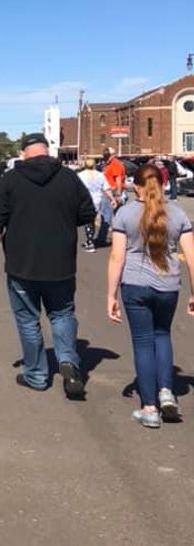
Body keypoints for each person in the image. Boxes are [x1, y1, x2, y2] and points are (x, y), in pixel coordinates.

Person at [0, 133, 96, 397]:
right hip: (61, 263)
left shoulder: (10, 180)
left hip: (23, 264)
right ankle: (68, 362)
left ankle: (36, 374)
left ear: (24, 153)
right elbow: (87, 214)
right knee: (62, 314)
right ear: (47, 151)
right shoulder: (69, 178)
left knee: (28, 319)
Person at [107, 163, 194, 427]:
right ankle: (166, 391)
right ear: (164, 184)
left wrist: (110, 295)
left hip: (135, 285)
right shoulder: (178, 214)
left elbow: (116, 257)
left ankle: (149, 407)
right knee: (162, 335)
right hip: (168, 285)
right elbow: (191, 257)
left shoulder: (125, 214)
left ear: (136, 186)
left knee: (143, 342)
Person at [78, 158, 116, 252]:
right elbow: (106, 188)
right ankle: (89, 240)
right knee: (91, 220)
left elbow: (75, 189)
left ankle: (90, 243)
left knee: (88, 221)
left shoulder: (80, 175)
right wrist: (112, 199)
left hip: (85, 200)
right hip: (97, 200)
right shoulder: (100, 175)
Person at [98, 147, 126, 245]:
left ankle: (102, 238)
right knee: (117, 217)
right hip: (109, 192)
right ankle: (120, 238)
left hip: (112, 192)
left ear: (112, 155)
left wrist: (118, 194)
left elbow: (118, 180)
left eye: (107, 156)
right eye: (105, 155)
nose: (106, 157)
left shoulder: (115, 164)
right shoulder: (108, 164)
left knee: (107, 216)